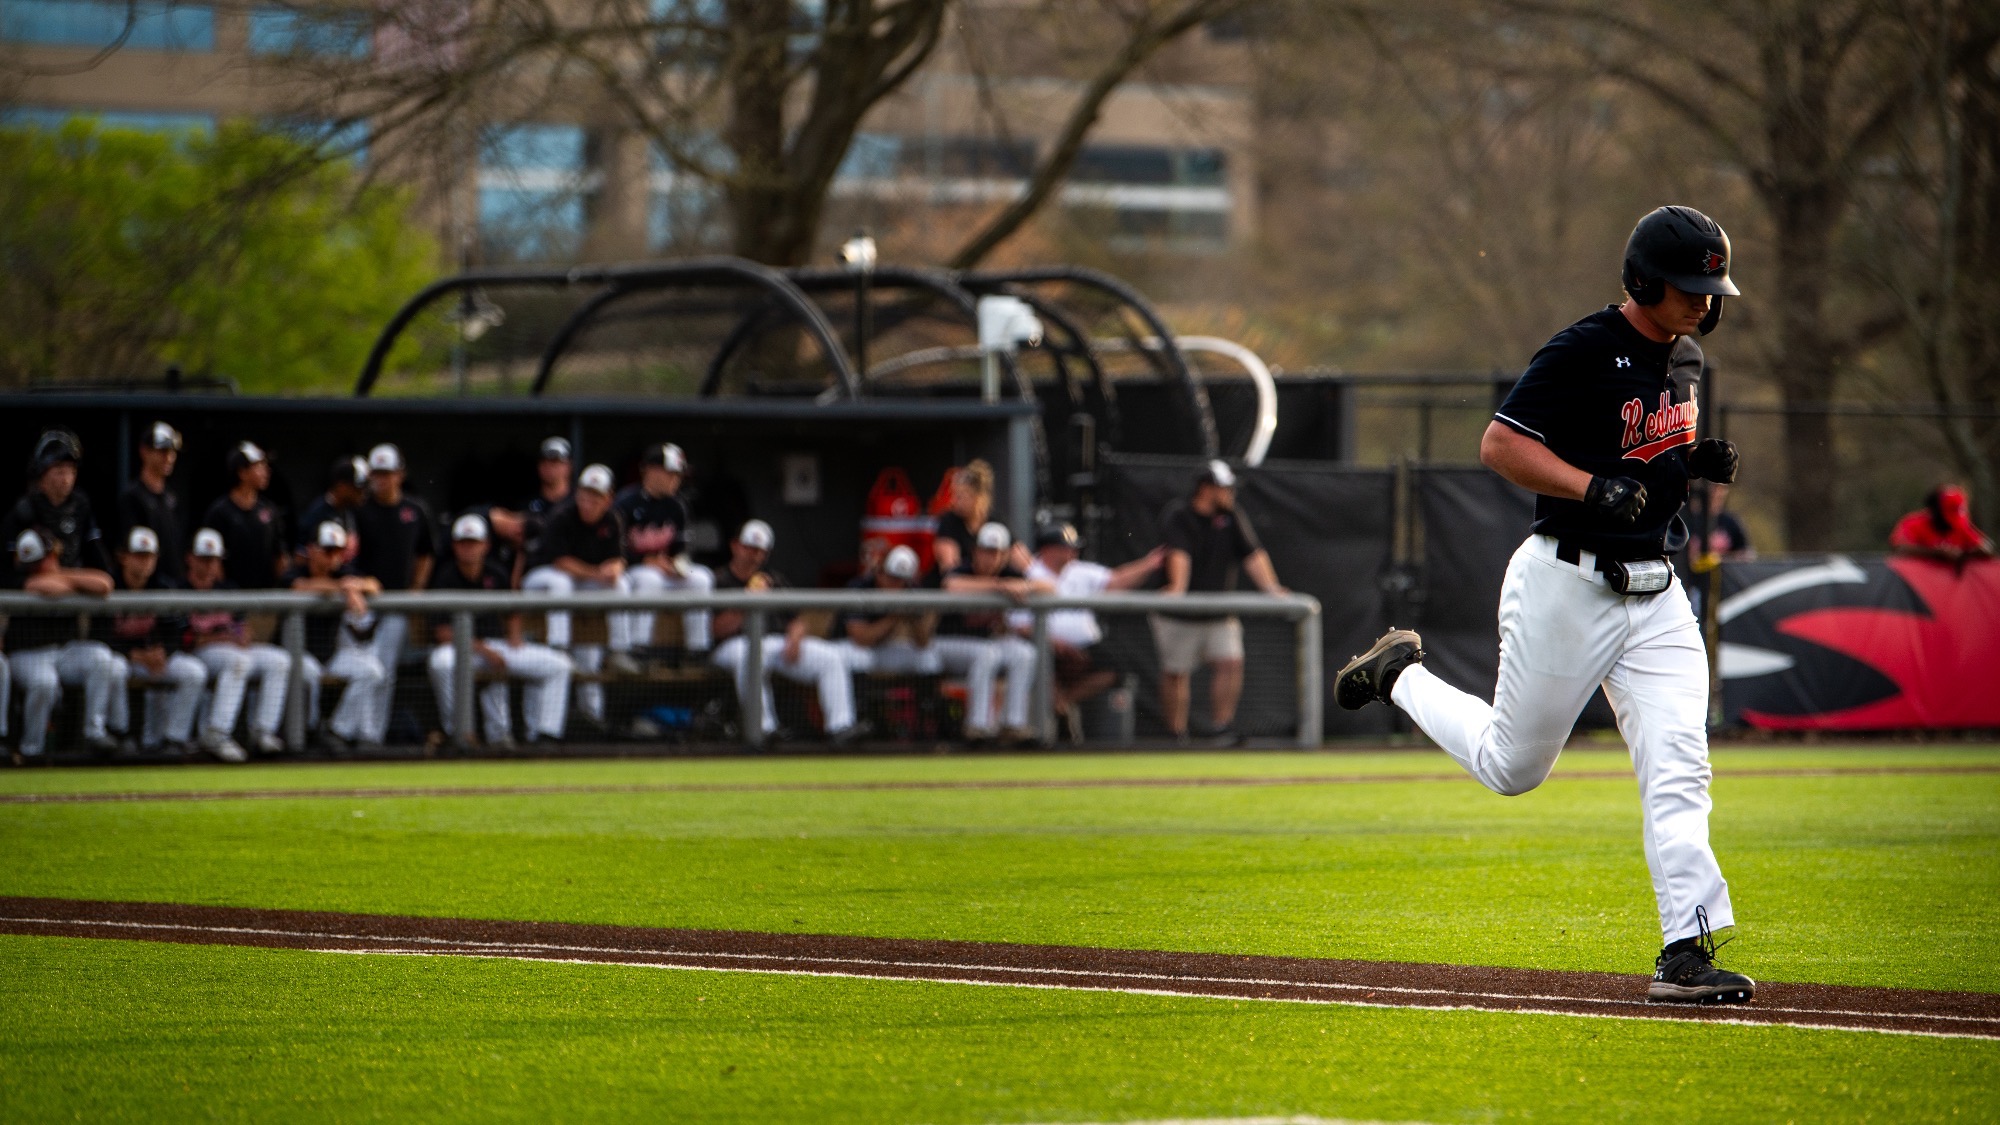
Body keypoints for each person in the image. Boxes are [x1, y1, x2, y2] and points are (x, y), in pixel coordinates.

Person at [1337, 205, 1754, 1006]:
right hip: (1569, 581)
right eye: (1689, 286)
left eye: (1711, 289)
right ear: (1643, 281)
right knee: (1512, 768)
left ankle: (1686, 948)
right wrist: (1587, 485)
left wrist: (1689, 462)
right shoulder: (1584, 347)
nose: (1704, 301)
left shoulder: (1687, 356)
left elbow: (1644, 452)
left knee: (1680, 767)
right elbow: (1500, 445)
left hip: (1658, 593)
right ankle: (1398, 676)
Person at [1152, 460, 1286, 745]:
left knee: (1231, 662)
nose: (1230, 493)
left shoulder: (1231, 516)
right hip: (1179, 617)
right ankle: (1176, 735)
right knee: (1176, 673)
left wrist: (1272, 588)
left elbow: (1253, 553)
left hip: (1219, 614)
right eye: (1224, 488)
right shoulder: (1179, 515)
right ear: (1206, 488)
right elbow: (1179, 555)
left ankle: (1221, 729)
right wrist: (1177, 589)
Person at [708, 520, 865, 744]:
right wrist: (747, 602)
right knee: (748, 654)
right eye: (750, 548)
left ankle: (840, 727)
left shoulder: (774, 579)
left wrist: (795, 638)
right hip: (732, 647)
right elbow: (714, 630)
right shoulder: (717, 580)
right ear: (735, 546)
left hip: (776, 643)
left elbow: (798, 620)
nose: (755, 556)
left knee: (830, 657)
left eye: (761, 551)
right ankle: (763, 730)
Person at [428, 514, 572, 748]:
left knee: (559, 665)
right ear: (454, 545)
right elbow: (442, 633)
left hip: (498, 645)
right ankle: (459, 734)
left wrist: (514, 636)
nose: (468, 549)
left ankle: (544, 735)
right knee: (440, 662)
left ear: (485, 545)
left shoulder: (495, 573)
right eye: (463, 543)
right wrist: (484, 650)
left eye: (474, 543)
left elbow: (512, 610)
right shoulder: (445, 577)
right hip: (464, 650)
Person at [1026, 522, 1165, 740]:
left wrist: (1148, 564)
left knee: (1117, 665)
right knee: (1040, 662)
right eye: (1066, 548)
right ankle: (1047, 725)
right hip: (1046, 646)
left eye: (1073, 548)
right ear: (1047, 549)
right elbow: (1018, 624)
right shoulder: (1030, 573)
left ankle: (1063, 702)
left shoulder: (1079, 570)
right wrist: (1056, 643)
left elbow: (1116, 580)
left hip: (1084, 645)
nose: (1072, 552)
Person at [522, 463, 626, 726]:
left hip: (580, 587)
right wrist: (597, 573)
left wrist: (614, 569)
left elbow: (618, 559)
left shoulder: (612, 519)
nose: (589, 501)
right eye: (585, 494)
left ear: (608, 498)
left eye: (596, 496)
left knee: (590, 655)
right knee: (561, 583)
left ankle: (620, 650)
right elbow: (560, 562)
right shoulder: (562, 515)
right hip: (541, 580)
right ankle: (559, 644)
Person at [4, 529, 119, 762]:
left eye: (42, 560)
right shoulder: (15, 577)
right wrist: (72, 583)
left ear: (54, 553)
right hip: (26, 653)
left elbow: (105, 584)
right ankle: (32, 749)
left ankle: (94, 732)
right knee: (44, 682)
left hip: (65, 652)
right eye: (32, 563)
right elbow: (49, 588)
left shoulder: (66, 572)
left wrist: (63, 576)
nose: (38, 567)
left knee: (102, 658)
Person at [351, 443, 438, 745]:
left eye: (387, 473)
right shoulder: (360, 510)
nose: (382, 480)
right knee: (365, 668)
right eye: (377, 474)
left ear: (400, 474)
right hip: (362, 604)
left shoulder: (414, 510)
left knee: (384, 670)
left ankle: (371, 736)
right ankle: (354, 731)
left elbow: (426, 553)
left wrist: (416, 590)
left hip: (396, 604)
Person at [935, 522, 1050, 743]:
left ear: (1005, 555)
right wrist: (999, 586)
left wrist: (1025, 586)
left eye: (997, 553)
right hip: (947, 642)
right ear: (975, 551)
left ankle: (1013, 725)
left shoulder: (1009, 574)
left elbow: (1049, 587)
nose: (991, 558)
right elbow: (950, 585)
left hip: (986, 646)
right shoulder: (964, 570)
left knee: (1024, 653)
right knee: (987, 653)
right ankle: (978, 726)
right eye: (986, 552)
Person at [183, 528, 293, 760]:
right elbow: (188, 639)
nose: (210, 565)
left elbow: (245, 630)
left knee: (279, 660)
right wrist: (224, 637)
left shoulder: (227, 589)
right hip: (197, 655)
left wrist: (239, 636)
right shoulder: (180, 589)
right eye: (204, 559)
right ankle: (217, 734)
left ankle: (263, 731)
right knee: (239, 661)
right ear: (191, 558)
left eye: (214, 560)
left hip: (231, 650)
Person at [97, 526, 207, 754]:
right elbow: (98, 636)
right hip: (123, 658)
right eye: (139, 555)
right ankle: (121, 733)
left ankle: (174, 739)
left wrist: (164, 651)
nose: (145, 562)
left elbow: (176, 631)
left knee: (193, 672)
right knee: (113, 668)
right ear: (123, 557)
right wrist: (132, 654)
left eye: (149, 556)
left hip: (152, 659)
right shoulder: (109, 585)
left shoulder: (163, 587)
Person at [287, 521, 388, 753]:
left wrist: (355, 585)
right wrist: (343, 588)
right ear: (312, 549)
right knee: (309, 674)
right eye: (328, 551)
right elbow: (298, 586)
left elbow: (375, 585)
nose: (333, 558)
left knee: (372, 671)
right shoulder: (297, 570)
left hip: (329, 654)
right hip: (296, 653)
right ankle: (306, 733)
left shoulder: (343, 573)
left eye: (338, 552)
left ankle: (337, 730)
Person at [613, 443, 715, 667]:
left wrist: (676, 565)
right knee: (650, 579)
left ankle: (697, 649)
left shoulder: (677, 506)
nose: (675, 480)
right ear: (650, 471)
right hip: (633, 571)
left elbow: (682, 549)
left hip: (665, 570)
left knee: (701, 578)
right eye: (670, 473)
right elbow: (612, 550)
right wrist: (645, 560)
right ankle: (639, 647)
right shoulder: (625, 502)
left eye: (678, 474)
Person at [1, 430, 113, 574]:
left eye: (71, 471)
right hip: (39, 581)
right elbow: (10, 564)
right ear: (41, 473)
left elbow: (94, 547)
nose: (66, 479)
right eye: (59, 471)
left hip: (73, 576)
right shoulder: (24, 510)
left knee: (103, 581)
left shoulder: (81, 505)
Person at [834, 545, 938, 675]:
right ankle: (858, 690)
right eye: (893, 578)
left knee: (927, 657)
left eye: (903, 580)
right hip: (845, 646)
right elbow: (861, 639)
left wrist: (913, 619)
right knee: (862, 658)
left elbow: (923, 643)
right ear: (880, 573)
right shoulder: (860, 588)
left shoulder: (909, 591)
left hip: (880, 648)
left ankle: (921, 689)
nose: (898, 584)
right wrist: (895, 616)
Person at [201, 441, 288, 589]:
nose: (266, 471)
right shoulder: (220, 512)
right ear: (242, 472)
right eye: (259, 466)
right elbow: (213, 560)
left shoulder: (269, 511)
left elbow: (279, 555)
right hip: (232, 596)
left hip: (266, 596)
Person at [488, 435, 573, 586]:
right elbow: (519, 550)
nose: (550, 467)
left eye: (556, 462)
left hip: (573, 570)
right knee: (558, 583)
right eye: (546, 462)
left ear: (568, 466)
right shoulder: (528, 505)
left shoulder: (577, 504)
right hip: (536, 572)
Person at [118, 421, 189, 582]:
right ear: (144, 451)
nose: (169, 458)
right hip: (147, 584)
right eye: (163, 451)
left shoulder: (172, 497)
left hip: (173, 583)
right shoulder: (132, 497)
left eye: (172, 452)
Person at [1890, 485, 1994, 563]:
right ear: (1935, 511)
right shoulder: (1913, 523)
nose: (1951, 524)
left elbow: (1987, 549)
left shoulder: (1960, 525)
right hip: (1915, 581)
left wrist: (1965, 553)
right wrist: (1938, 553)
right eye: (1948, 517)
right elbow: (1901, 550)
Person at [296, 456, 368, 568]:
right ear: (342, 486)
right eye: (357, 488)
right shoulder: (317, 514)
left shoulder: (350, 511)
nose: (362, 493)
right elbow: (299, 557)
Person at [931, 459, 995, 574]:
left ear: (977, 499)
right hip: (952, 584)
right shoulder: (948, 521)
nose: (953, 502)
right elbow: (950, 570)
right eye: (954, 496)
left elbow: (1027, 567)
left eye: (960, 497)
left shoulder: (995, 523)